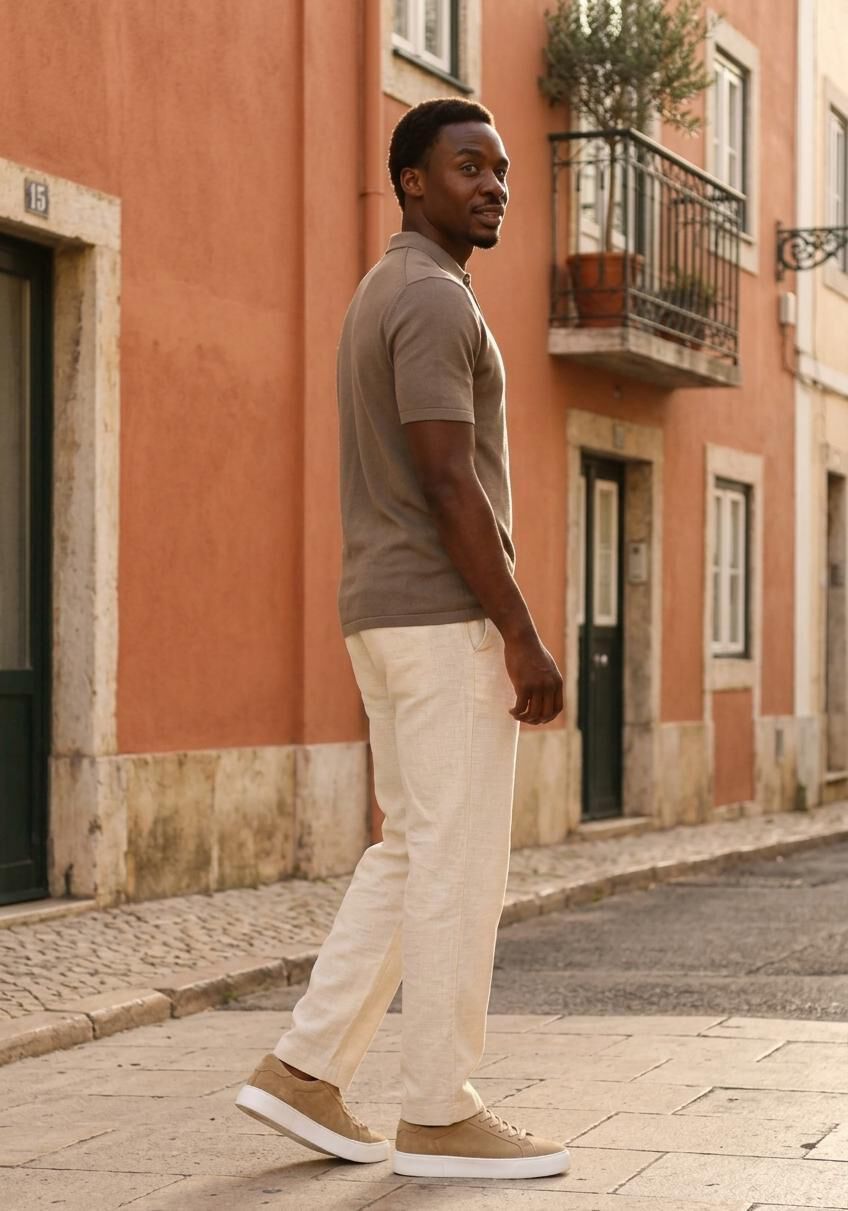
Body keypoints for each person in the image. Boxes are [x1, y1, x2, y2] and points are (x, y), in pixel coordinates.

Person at [235, 97, 568, 1181]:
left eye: (501, 169)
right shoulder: (429, 297)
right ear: (412, 181)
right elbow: (446, 478)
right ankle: (437, 1108)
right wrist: (519, 632)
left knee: (412, 846)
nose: (494, 186)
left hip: (385, 613)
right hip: (441, 618)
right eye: (469, 167)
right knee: (455, 863)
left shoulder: (390, 287)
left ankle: (304, 1067)